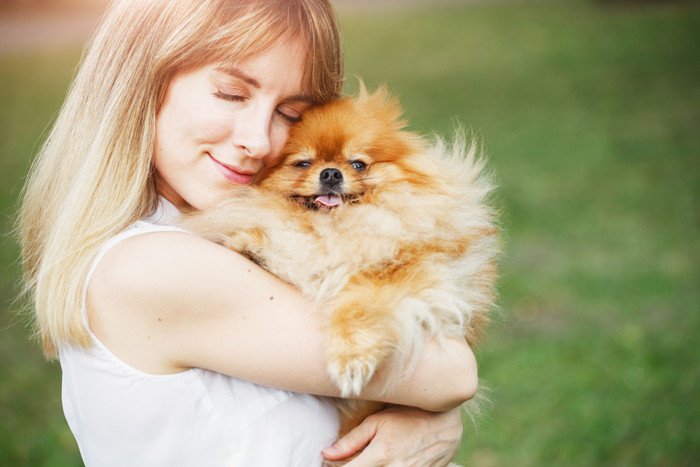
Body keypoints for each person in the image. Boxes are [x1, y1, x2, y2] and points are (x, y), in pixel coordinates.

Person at [18, 0, 478, 465]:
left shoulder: (193, 234)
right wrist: (432, 417)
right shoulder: (152, 268)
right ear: (141, 82)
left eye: (289, 113)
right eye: (232, 94)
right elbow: (450, 374)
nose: (258, 140)